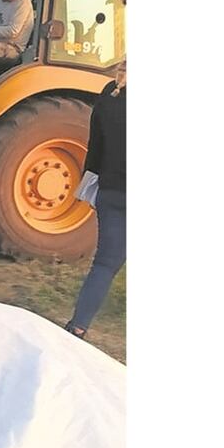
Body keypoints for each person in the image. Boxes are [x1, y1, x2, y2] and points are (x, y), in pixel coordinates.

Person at [65, 59, 126, 340]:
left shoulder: (109, 94)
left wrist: (93, 185)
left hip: (110, 191)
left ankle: (78, 326)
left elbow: (95, 147)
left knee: (104, 264)